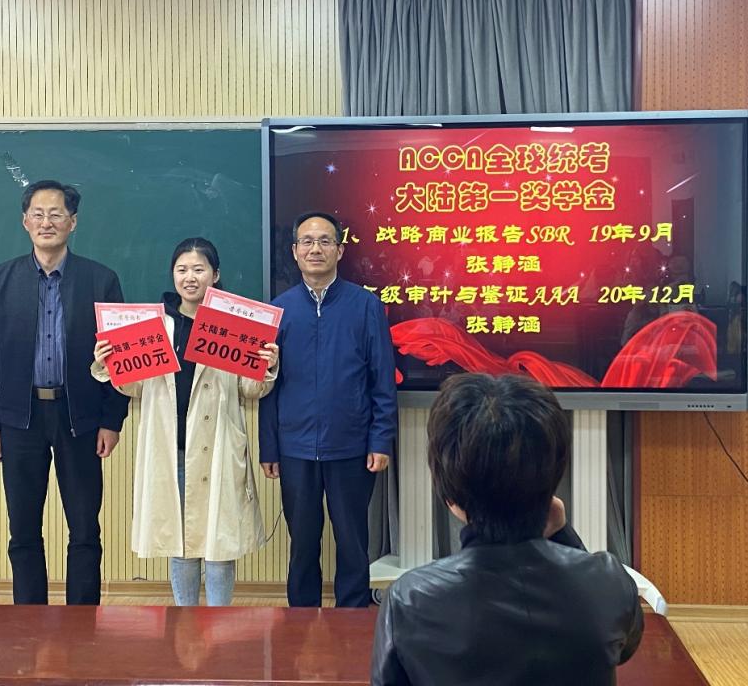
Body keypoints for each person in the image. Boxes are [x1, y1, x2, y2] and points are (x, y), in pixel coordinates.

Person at [371, 373, 643, 685]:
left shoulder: (409, 600)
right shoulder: (609, 582)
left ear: (450, 497)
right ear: (555, 474)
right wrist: (562, 536)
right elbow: (620, 646)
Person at [92, 237, 278, 606]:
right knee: (180, 544)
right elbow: (134, 387)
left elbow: (250, 390)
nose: (189, 277)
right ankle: (185, 619)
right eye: (182, 269)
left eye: (198, 269)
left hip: (217, 447)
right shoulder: (153, 325)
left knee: (219, 545)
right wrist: (109, 362)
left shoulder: (235, 325)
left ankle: (219, 621)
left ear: (215, 274)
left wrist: (266, 366)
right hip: (171, 448)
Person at [0, 179, 130, 605]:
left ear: (72, 222)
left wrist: (112, 420)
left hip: (81, 418)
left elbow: (121, 358)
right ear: (25, 222)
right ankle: (29, 622)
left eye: (56, 214)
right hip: (18, 418)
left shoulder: (101, 280)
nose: (47, 222)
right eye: (38, 214)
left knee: (84, 530)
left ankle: (83, 623)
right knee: (23, 531)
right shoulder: (1, 280)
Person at [259, 211, 398, 608]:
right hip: (295, 447)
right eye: (307, 241)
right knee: (302, 542)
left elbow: (382, 379)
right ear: (294, 251)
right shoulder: (278, 311)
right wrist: (270, 447)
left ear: (339, 250)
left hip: (351, 445)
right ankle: (301, 617)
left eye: (324, 241)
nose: (315, 249)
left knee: (352, 541)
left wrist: (380, 440)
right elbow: (268, 385)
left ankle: (352, 616)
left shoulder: (365, 306)